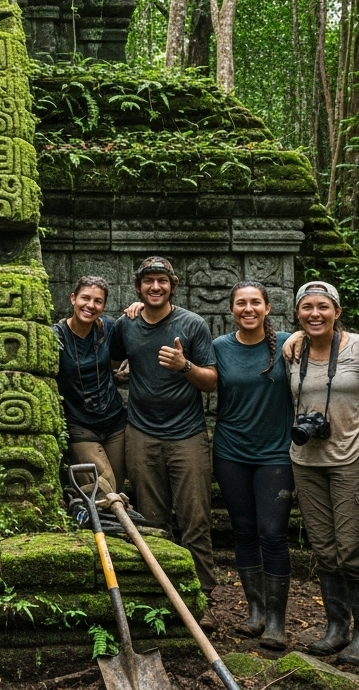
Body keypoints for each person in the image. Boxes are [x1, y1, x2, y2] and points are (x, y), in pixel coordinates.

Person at [113, 256, 219, 625]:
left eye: (162, 281)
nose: (154, 287)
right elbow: (107, 357)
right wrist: (122, 372)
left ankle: (201, 595)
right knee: (152, 518)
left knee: (195, 516)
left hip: (187, 434)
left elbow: (211, 379)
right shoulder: (127, 325)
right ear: (138, 287)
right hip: (141, 433)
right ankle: (162, 594)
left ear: (173, 286)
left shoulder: (191, 324)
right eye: (148, 282)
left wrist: (184, 366)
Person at [279, 281, 359, 665]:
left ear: (337, 311)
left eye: (323, 307)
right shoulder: (292, 349)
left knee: (354, 553)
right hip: (306, 462)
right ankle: (336, 628)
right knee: (324, 551)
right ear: (298, 313)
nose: (315, 314)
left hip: (353, 459)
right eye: (307, 308)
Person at [210, 281, 293, 649]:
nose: (248, 309)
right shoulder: (219, 348)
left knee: (272, 533)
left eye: (255, 302)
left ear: (267, 308)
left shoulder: (290, 344)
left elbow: (330, 354)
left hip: (276, 453)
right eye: (241, 303)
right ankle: (256, 611)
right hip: (231, 452)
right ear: (232, 310)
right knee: (243, 531)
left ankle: (277, 621)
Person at [52, 275, 128, 496]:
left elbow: (138, 334)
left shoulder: (110, 329)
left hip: (115, 423)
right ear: (73, 298)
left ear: (104, 306)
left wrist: (137, 306)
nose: (90, 305)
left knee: (116, 489)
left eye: (98, 301)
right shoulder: (56, 336)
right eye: (85, 298)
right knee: (104, 488)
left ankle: (110, 531)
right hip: (80, 426)